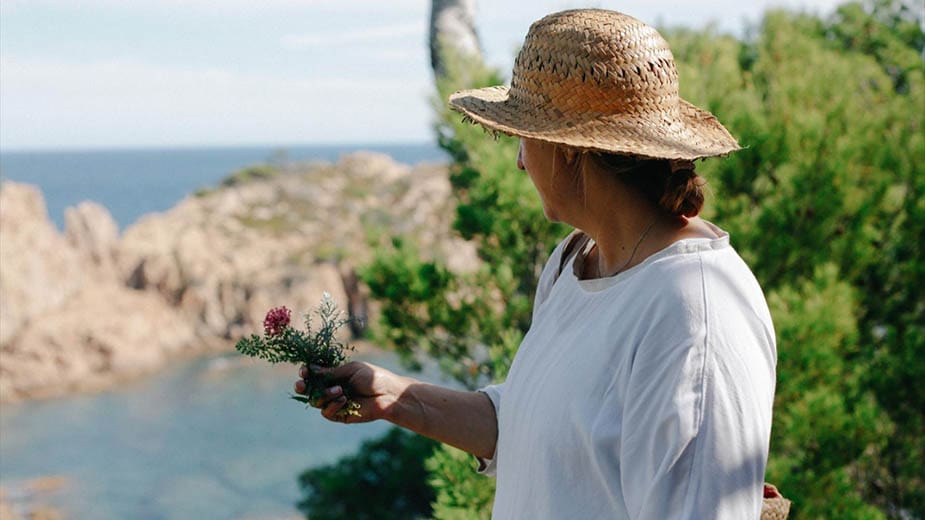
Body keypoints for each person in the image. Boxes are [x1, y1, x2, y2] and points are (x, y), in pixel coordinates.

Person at [295, 9, 776, 519]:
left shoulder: (694, 314)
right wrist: (396, 396)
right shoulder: (575, 261)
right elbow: (535, 429)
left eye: (523, 135)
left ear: (568, 149)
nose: (521, 161)